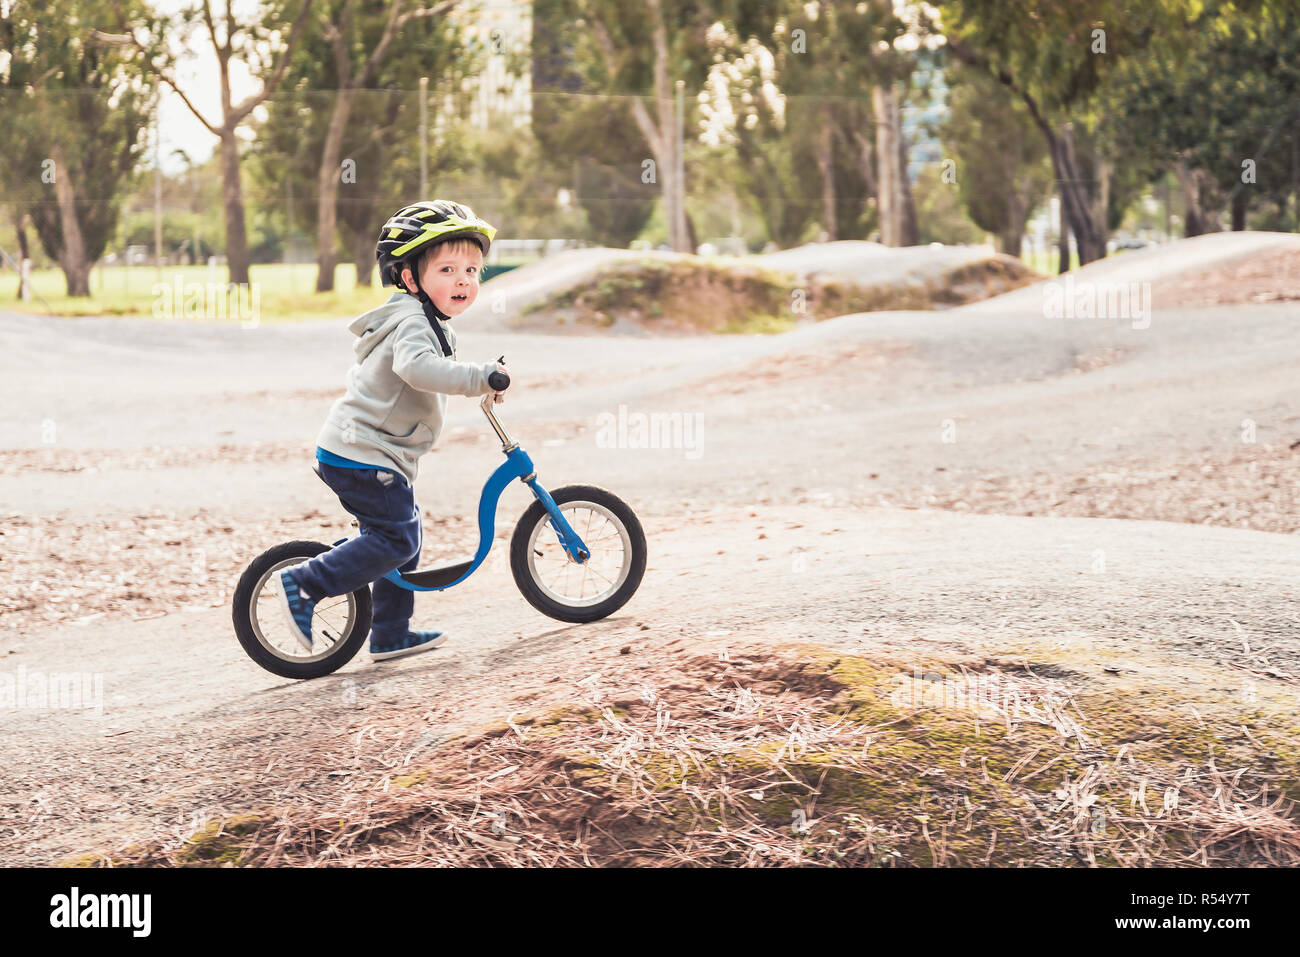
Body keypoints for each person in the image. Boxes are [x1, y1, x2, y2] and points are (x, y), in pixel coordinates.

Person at [276, 200, 509, 661]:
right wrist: (480, 377)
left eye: (473, 270)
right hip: (362, 454)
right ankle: (306, 581)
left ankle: (388, 633)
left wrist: (480, 376)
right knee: (397, 539)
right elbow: (418, 369)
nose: (463, 280)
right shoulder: (411, 323)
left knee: (404, 535)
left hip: (368, 453)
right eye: (447, 269)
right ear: (408, 277)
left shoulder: (427, 321)